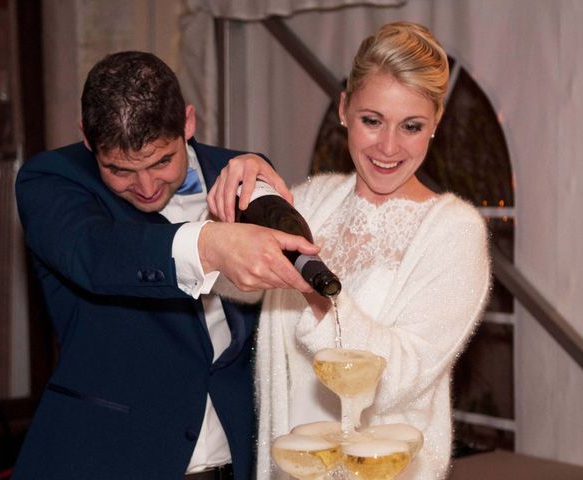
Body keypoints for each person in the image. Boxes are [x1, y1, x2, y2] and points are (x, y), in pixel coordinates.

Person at [12, 51, 320, 480]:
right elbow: (96, 254)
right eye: (119, 170)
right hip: (108, 461)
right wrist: (209, 244)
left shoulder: (241, 172)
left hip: (237, 460)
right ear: (86, 138)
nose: (146, 186)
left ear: (188, 124)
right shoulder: (51, 179)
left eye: (161, 161)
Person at [208, 21, 491, 480]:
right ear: (343, 110)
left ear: (436, 122)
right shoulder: (315, 198)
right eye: (371, 120)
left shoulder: (453, 232)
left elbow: (399, 375)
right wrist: (237, 207)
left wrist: (314, 289)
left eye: (411, 126)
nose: (388, 147)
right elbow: (233, 284)